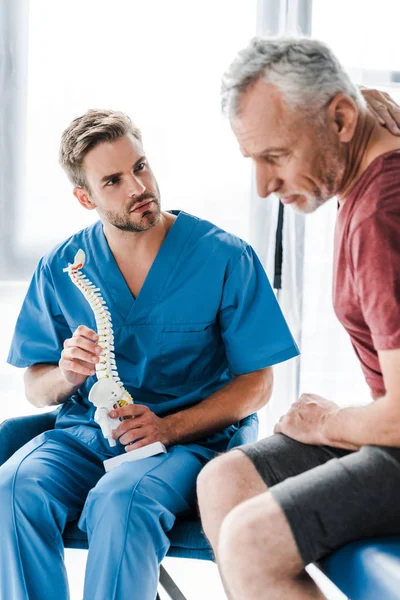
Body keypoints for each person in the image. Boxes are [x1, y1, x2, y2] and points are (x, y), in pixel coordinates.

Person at [0, 109, 299, 600]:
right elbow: (36, 385)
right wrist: (67, 374)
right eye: (113, 180)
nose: (138, 186)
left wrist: (168, 428)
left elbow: (258, 384)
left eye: (140, 167)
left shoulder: (224, 257)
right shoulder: (62, 266)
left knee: (122, 501)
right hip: (86, 436)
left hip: (187, 443)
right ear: (85, 197)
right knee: (13, 490)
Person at [197, 37, 400, 600]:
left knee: (249, 543)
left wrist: (330, 423)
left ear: (340, 118)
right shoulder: (368, 151)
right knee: (224, 479)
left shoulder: (381, 216)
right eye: (255, 160)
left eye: (276, 156)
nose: (263, 187)